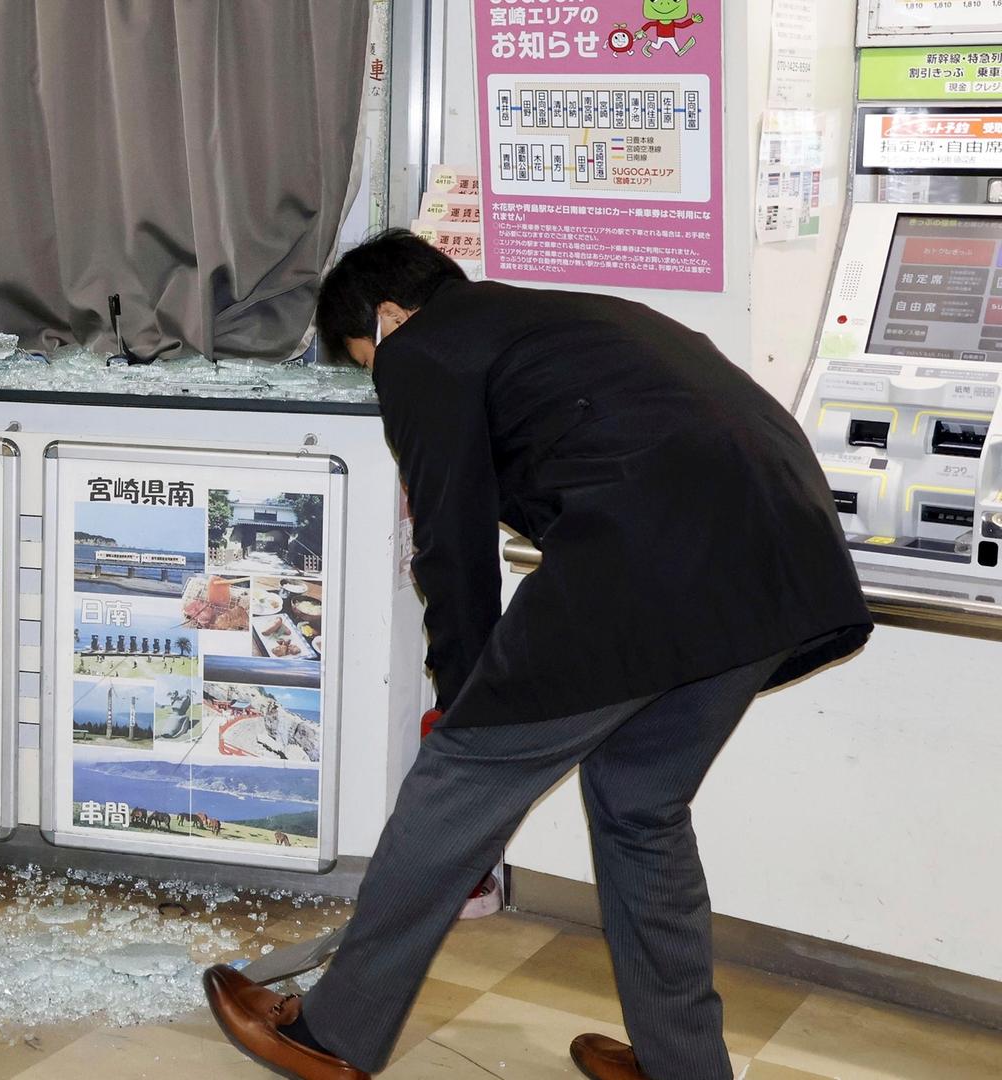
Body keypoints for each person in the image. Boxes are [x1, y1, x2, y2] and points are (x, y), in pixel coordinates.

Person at [203, 230, 871, 1080]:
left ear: (391, 316)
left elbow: (450, 543)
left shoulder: (422, 350)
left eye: (370, 361)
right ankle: (684, 1067)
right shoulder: (570, 319)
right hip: (785, 566)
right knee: (640, 806)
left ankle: (330, 1035)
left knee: (454, 783)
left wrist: (467, 701)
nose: (382, 379)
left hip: (651, 560)